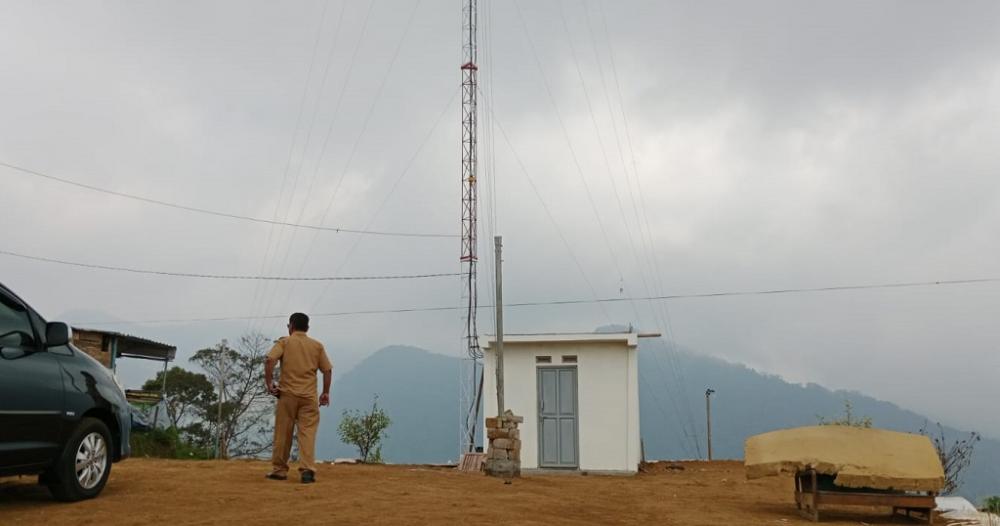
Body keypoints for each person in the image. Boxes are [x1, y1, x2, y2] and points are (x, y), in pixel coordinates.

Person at [264, 312, 332, 483]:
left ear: (291, 326)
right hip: (308, 397)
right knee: (307, 433)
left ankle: (279, 470)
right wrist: (325, 393)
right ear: (307, 328)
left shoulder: (284, 342)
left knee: (283, 433)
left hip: (287, 396)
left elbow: (270, 360)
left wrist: (269, 382)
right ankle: (307, 471)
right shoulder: (317, 346)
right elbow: (327, 370)